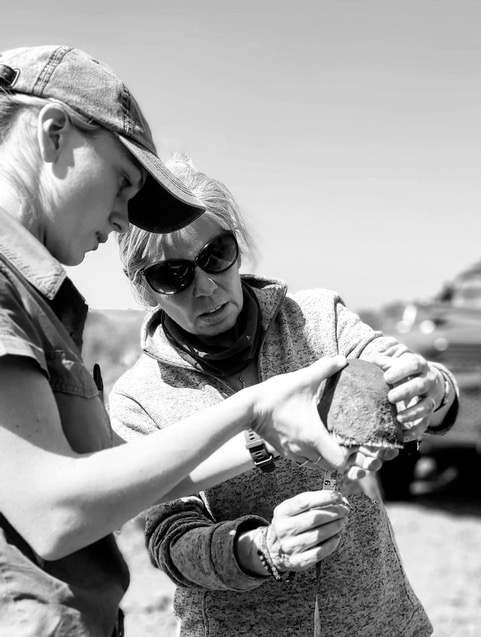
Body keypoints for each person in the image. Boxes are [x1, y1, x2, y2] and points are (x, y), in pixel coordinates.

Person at [0, 45, 371, 637]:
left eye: (216, 255)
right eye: (123, 181)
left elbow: (116, 479)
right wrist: (252, 409)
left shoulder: (35, 298)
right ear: (52, 133)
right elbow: (54, 514)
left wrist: (263, 433)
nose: (124, 216)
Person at [111, 155, 459, 637]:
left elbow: (393, 363)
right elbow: (168, 537)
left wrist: (431, 388)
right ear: (143, 287)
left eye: (215, 255)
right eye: (174, 275)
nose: (206, 288)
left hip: (382, 621)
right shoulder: (138, 398)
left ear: (237, 244)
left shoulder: (318, 320)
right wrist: (260, 549)